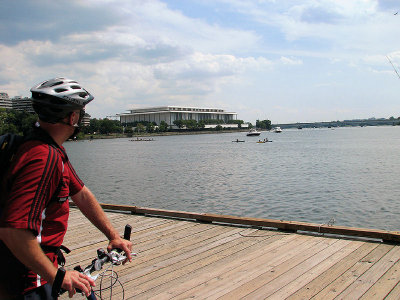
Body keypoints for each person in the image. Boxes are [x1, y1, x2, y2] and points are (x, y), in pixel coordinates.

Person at [0, 78, 132, 299]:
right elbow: (13, 231)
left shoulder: (45, 148)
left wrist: (113, 235)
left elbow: (80, 193)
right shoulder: (44, 157)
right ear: (72, 117)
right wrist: (57, 276)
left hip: (31, 270)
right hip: (30, 278)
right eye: (81, 113)